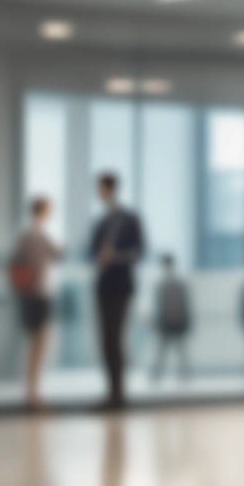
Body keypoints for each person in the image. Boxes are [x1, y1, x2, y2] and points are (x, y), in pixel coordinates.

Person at [90, 173, 145, 408]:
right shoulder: (101, 222)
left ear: (109, 188)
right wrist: (99, 257)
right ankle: (111, 394)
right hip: (103, 286)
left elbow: (139, 252)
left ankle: (119, 395)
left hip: (121, 285)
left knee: (116, 340)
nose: (98, 192)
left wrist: (115, 257)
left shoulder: (130, 219)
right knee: (106, 341)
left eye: (100, 188)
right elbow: (90, 252)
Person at [9, 198, 60, 409]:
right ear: (43, 211)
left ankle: (31, 392)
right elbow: (57, 253)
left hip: (33, 293)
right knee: (38, 344)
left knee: (36, 343)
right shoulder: (36, 234)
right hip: (38, 293)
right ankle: (32, 394)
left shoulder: (28, 234)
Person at [153, 254, 191, 381]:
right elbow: (160, 306)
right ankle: (158, 374)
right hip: (168, 322)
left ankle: (183, 374)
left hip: (176, 321)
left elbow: (184, 304)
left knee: (178, 350)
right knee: (165, 350)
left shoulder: (175, 285)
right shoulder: (164, 285)